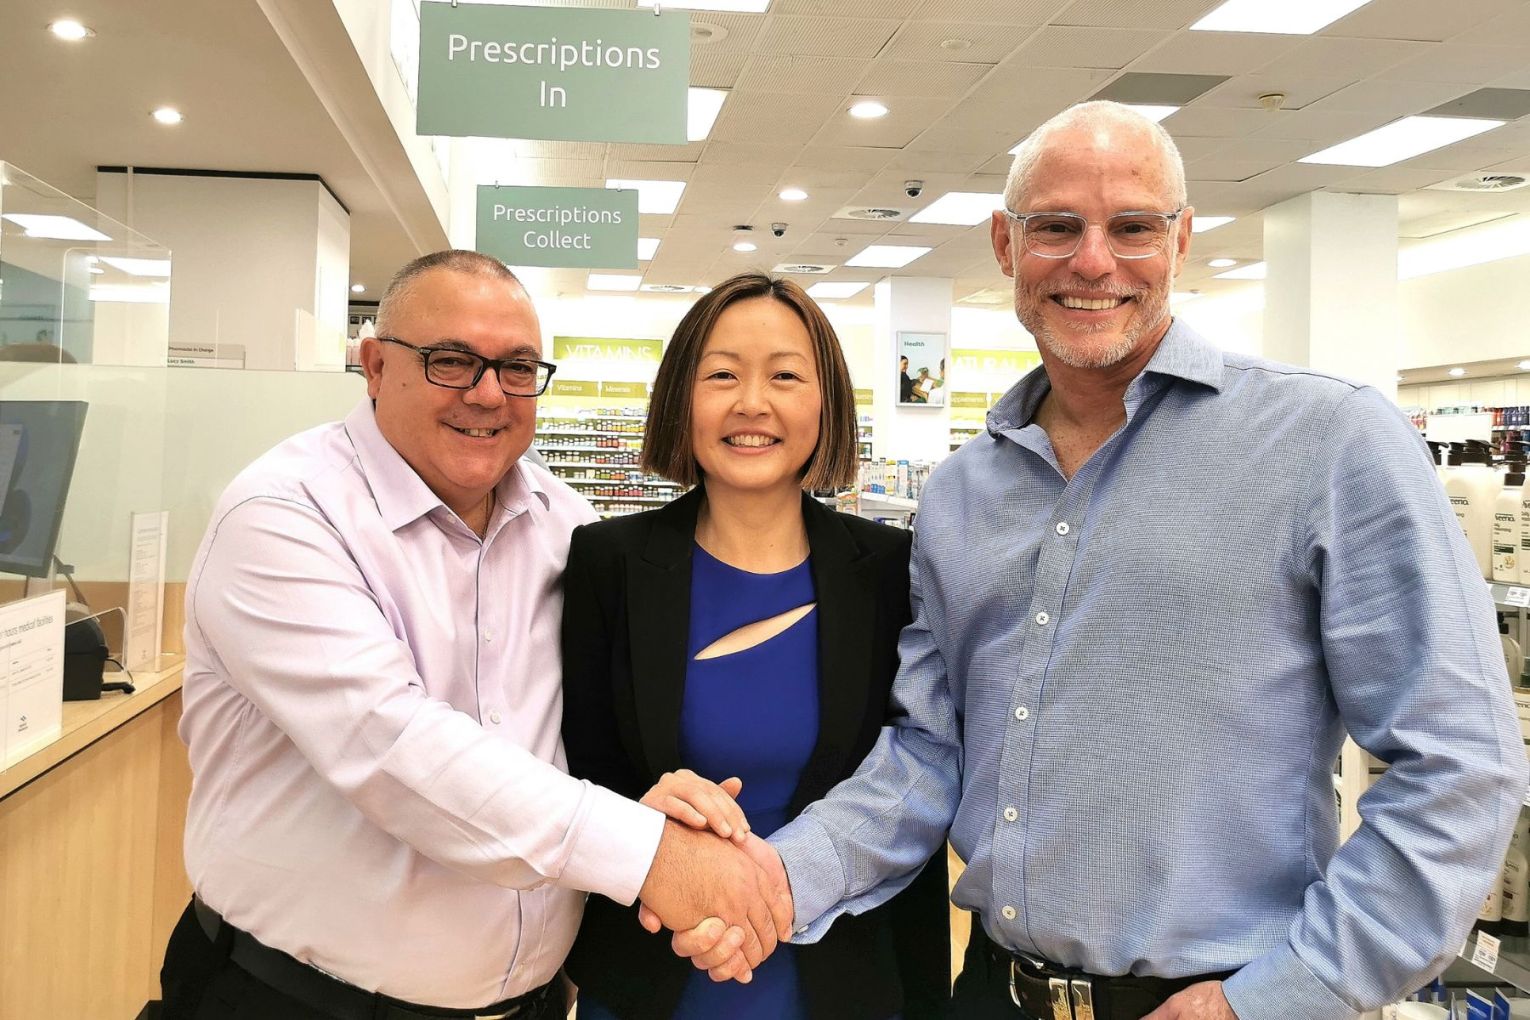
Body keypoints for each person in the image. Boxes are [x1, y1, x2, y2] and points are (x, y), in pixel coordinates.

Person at [666, 102, 1529, 1020]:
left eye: (1133, 227)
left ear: (1183, 238)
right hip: (995, 994)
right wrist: (776, 878)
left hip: (1221, 999)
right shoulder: (962, 492)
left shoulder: (1328, 444)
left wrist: (1284, 996)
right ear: (1005, 243)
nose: (1091, 261)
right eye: (1056, 227)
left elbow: (1459, 767)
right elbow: (929, 753)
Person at [161, 250, 790, 1020]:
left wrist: (651, 798)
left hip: (531, 1005)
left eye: (518, 368)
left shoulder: (568, 526)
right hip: (292, 1000)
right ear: (375, 365)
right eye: (451, 361)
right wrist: (655, 856)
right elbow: (393, 749)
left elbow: (581, 733)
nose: (488, 394)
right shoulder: (284, 516)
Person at [560, 272, 950, 1020]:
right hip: (655, 972)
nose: (751, 403)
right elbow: (583, 768)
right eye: (722, 375)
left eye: (784, 376)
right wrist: (641, 816)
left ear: (825, 402)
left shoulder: (889, 573)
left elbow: (916, 784)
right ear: (682, 397)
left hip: (842, 983)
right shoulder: (608, 563)